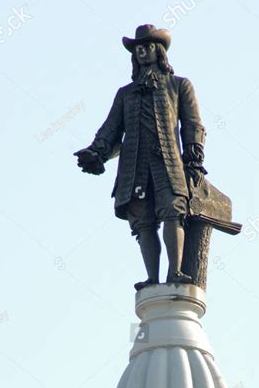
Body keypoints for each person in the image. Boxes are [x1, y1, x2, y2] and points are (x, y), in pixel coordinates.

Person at [75, 24, 207, 291]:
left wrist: (193, 159)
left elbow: (192, 124)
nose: (142, 52)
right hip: (134, 166)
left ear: (159, 52)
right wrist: (96, 152)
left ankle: (176, 272)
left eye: (147, 47)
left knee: (172, 211)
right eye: (138, 49)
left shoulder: (178, 85)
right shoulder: (126, 94)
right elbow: (111, 130)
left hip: (168, 164)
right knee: (143, 222)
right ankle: (152, 278)